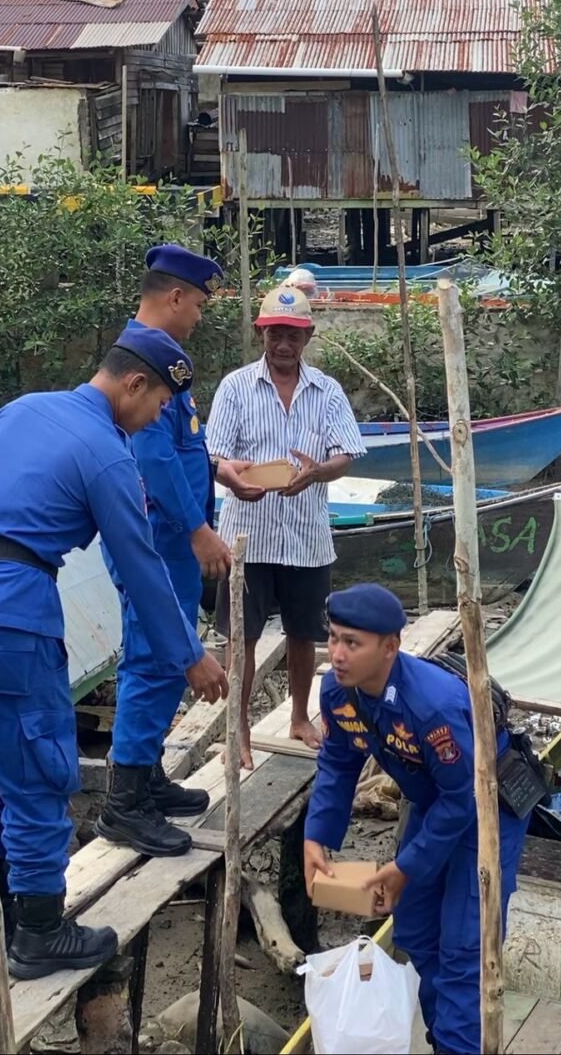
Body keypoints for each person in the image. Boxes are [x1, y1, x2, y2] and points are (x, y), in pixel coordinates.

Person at [0, 327, 228, 979]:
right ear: (135, 384)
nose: (152, 421)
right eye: (155, 407)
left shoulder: (19, 410)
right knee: (38, 768)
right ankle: (38, 934)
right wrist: (190, 655)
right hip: (13, 613)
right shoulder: (107, 454)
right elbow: (141, 564)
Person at [304, 583, 529, 1055]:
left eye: (352, 643)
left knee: (466, 949)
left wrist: (408, 866)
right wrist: (317, 836)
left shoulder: (433, 706)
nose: (338, 654)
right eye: (334, 637)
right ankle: (443, 1038)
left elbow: (465, 799)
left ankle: (459, 1047)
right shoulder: (337, 693)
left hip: (486, 809)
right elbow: (339, 763)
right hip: (433, 803)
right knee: (416, 930)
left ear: (390, 647)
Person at [99, 243, 263, 856]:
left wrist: (218, 468)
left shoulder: (163, 356)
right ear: (172, 296)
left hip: (173, 534)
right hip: (157, 537)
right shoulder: (140, 358)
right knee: (153, 656)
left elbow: (181, 445)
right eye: (196, 302)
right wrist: (197, 528)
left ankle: (144, 775)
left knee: (167, 654)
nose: (198, 313)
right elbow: (150, 456)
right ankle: (123, 802)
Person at [206, 286, 365, 768]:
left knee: (305, 633)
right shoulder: (235, 387)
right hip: (247, 533)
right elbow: (211, 454)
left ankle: (300, 717)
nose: (283, 344)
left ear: (307, 337)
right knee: (242, 636)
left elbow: (347, 453)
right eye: (275, 333)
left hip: (307, 534)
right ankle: (239, 734)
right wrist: (230, 475)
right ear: (262, 334)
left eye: (293, 336)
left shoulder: (327, 390)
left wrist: (318, 471)